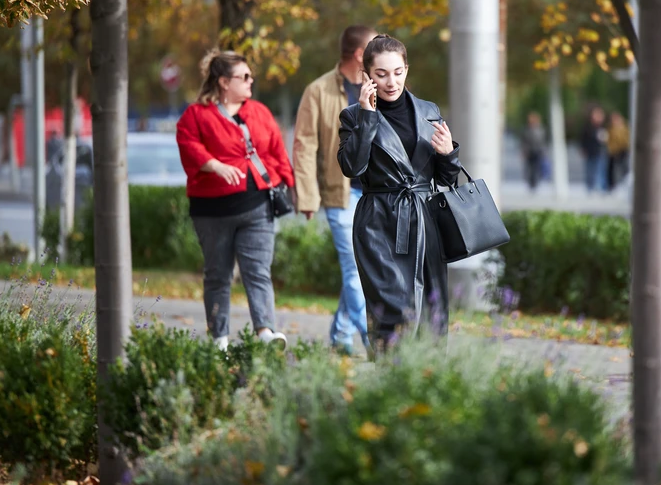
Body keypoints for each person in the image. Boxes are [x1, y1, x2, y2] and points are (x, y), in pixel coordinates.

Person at [337, 34, 463, 353]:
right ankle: (390, 387)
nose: (391, 81)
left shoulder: (428, 110)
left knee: (432, 313)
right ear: (367, 75)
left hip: (424, 221)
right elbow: (352, 167)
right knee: (391, 311)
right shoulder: (352, 115)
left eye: (397, 71)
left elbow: (446, 178)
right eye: (380, 74)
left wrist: (448, 153)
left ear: (407, 68)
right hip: (378, 224)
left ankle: (428, 386)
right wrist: (367, 116)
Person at [176, 49, 294, 351]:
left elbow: (277, 152)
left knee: (258, 272)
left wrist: (293, 187)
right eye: (245, 77)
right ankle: (219, 340)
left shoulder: (260, 112)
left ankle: (266, 332)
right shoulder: (196, 115)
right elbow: (187, 143)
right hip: (211, 210)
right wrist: (214, 164)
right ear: (224, 82)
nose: (251, 81)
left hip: (257, 206)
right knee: (218, 275)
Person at [292, 25, 376, 355]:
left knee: (359, 267)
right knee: (355, 268)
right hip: (341, 195)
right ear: (359, 55)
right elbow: (304, 145)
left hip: (376, 194)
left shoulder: (380, 85)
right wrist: (307, 195)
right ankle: (376, 340)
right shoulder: (318, 91)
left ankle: (340, 336)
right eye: (374, 44)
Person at [579, 106, 608, 191]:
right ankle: (590, 187)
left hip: (600, 151)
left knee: (600, 170)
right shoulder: (587, 127)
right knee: (590, 171)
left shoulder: (603, 127)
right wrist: (583, 149)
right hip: (590, 151)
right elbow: (582, 139)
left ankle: (600, 187)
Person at [520, 111, 547, 191]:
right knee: (530, 167)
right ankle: (531, 182)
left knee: (536, 167)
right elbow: (524, 141)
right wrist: (524, 150)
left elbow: (542, 141)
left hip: (538, 151)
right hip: (529, 151)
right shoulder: (526, 129)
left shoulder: (540, 129)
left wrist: (543, 151)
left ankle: (535, 182)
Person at [606, 111, 630, 191]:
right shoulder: (610, 128)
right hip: (613, 152)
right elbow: (609, 140)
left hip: (622, 150)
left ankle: (625, 183)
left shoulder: (624, 128)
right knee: (612, 170)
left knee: (624, 168)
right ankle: (612, 186)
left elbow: (625, 139)